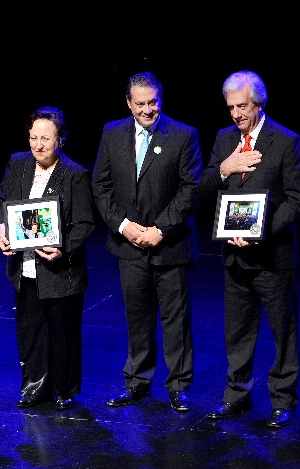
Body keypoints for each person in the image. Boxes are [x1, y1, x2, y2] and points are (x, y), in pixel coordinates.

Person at [200, 70, 300, 428]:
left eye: (242, 106)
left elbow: (298, 199)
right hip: (234, 256)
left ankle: (283, 400)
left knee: (283, 332)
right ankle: (237, 396)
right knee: (237, 331)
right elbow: (203, 189)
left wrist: (260, 232)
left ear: (259, 104)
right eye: (231, 107)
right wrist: (224, 168)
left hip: (272, 258)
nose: (236, 114)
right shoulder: (223, 139)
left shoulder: (286, 141)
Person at [91, 71, 203, 412]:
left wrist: (160, 229)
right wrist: (123, 226)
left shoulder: (183, 135)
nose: (147, 109)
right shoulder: (112, 133)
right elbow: (101, 185)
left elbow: (190, 190)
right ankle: (137, 381)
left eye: (152, 102)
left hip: (170, 245)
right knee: (136, 316)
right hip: (129, 245)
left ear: (161, 100)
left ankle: (178, 385)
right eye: (140, 104)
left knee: (175, 319)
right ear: (128, 103)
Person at [0, 106, 95, 411]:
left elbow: (85, 223)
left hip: (60, 269)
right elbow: (2, 201)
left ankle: (64, 389)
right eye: (33, 138)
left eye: (46, 139)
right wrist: (3, 228)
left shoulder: (74, 174)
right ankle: (34, 387)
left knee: (62, 331)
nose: (38, 145)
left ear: (60, 140)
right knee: (31, 329)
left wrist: (63, 248)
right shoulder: (18, 163)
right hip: (25, 266)